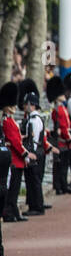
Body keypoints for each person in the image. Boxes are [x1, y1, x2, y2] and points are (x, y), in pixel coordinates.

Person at [1, 82, 31, 222]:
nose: (14, 107)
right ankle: (9, 212)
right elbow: (13, 141)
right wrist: (25, 153)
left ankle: (14, 212)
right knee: (12, 189)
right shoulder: (6, 121)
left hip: (17, 160)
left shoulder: (10, 120)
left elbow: (16, 138)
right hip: (14, 159)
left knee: (15, 188)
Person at [20, 81, 46, 216]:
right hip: (36, 153)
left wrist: (31, 154)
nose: (24, 107)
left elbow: (34, 141)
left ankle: (37, 206)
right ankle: (34, 205)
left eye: (26, 104)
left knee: (34, 181)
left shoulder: (35, 120)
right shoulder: (33, 118)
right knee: (32, 181)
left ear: (31, 105)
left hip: (35, 154)